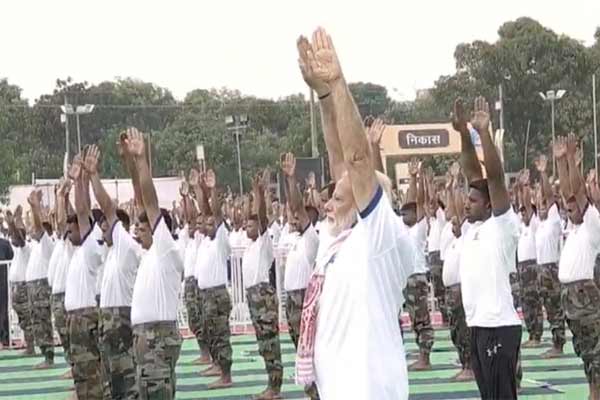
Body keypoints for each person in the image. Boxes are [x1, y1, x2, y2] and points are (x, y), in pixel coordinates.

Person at [295, 27, 415, 399]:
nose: (328, 203)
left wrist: (339, 83)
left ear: (366, 202)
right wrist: (325, 96)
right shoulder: (338, 238)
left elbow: (357, 160)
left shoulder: (378, 235)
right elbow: (339, 158)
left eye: (339, 197)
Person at [453, 97, 522, 399]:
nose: (466, 204)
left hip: (498, 327)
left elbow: (494, 178)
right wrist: (462, 134)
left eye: (473, 201)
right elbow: (472, 171)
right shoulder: (472, 228)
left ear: (490, 204)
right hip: (479, 326)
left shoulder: (502, 224)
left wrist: (482, 133)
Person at [124, 128, 184, 400]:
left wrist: (142, 160)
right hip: (147, 338)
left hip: (157, 338)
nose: (138, 229)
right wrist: (131, 163)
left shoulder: (165, 248)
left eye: (144, 226)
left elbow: (149, 202)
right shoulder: (149, 252)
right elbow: (140, 200)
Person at [85, 143, 142, 399]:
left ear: (121, 227)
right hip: (109, 320)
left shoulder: (125, 245)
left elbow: (107, 205)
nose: (102, 227)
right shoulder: (110, 251)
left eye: (107, 224)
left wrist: (94, 175)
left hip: (121, 320)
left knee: (126, 385)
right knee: (111, 384)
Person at [554, 134, 600, 400]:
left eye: (574, 208)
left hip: (585, 296)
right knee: (585, 351)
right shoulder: (575, 225)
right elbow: (568, 194)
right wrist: (561, 162)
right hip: (571, 296)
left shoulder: (593, 221)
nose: (570, 210)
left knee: (595, 352)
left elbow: (577, 193)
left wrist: (571, 159)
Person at [64, 151, 106, 399]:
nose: (70, 233)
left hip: (86, 315)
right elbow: (76, 213)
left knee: (91, 374)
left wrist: (82, 181)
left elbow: (82, 210)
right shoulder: (80, 249)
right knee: (82, 373)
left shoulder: (93, 245)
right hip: (76, 316)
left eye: (75, 229)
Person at [241, 171, 283, 400]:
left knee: (270, 343)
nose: (248, 228)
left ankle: (275, 388)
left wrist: (259, 194)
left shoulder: (264, 241)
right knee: (263, 343)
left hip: (263, 296)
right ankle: (271, 384)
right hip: (253, 296)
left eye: (251, 225)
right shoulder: (249, 246)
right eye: (246, 225)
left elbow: (263, 218)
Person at [193, 168, 234, 389]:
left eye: (210, 225)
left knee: (220, 334)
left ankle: (226, 375)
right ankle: (218, 365)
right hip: (206, 294)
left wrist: (212, 189)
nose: (206, 226)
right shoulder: (206, 241)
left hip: (217, 294)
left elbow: (215, 215)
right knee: (211, 332)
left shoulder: (219, 239)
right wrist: (199, 190)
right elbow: (206, 212)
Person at [281, 152, 319, 351]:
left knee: (309, 343)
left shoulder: (311, 239)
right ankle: (307, 382)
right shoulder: (294, 237)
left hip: (304, 296)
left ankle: (314, 382)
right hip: (291, 296)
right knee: (298, 344)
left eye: (301, 217)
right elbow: (293, 208)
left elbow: (297, 207)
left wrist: (291, 178)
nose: (295, 218)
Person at [441, 163, 474, 381]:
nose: (453, 221)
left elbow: (458, 211)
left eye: (456, 220)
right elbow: (454, 213)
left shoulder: (467, 232)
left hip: (461, 291)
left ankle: (470, 367)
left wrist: (455, 186)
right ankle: (465, 365)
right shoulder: (454, 238)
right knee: (456, 332)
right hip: (451, 291)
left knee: (464, 331)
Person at [400, 158, 432, 371]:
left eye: (406, 212)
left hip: (418, 278)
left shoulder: (419, 229)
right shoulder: (403, 230)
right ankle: (420, 355)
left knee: (422, 319)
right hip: (407, 280)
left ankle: (425, 358)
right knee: (413, 320)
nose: (403, 215)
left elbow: (419, 202)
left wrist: (415, 179)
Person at [533, 154, 566, 358]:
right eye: (540, 204)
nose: (543, 206)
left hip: (551, 269)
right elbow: (538, 199)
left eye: (545, 204)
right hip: (540, 270)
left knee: (555, 307)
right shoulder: (541, 223)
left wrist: (544, 173)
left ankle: (558, 344)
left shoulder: (553, 219)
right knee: (548, 306)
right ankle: (555, 341)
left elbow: (549, 196)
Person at [47, 179, 76, 380]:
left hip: (67, 295)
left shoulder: (72, 243)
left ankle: (77, 370)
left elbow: (65, 221)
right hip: (58, 295)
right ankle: (73, 367)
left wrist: (61, 198)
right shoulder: (60, 241)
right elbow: (62, 222)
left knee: (72, 336)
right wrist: (63, 198)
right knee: (64, 334)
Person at [25, 189, 55, 369]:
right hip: (33, 287)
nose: (32, 230)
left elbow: (39, 228)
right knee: (37, 321)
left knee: (42, 321)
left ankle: (49, 358)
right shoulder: (36, 245)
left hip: (40, 287)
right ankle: (46, 355)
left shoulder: (47, 242)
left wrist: (35, 207)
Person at [515, 169, 544, 348]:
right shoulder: (521, 225)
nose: (523, 214)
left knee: (534, 301)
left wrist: (525, 186)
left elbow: (525, 203)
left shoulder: (534, 223)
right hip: (522, 268)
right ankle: (531, 333)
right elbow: (520, 203)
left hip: (532, 268)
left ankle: (537, 335)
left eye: (525, 212)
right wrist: (519, 186)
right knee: (525, 303)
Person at [5, 207, 34, 353]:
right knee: (22, 318)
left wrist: (13, 224)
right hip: (16, 287)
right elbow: (13, 236)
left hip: (22, 287)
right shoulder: (16, 249)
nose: (13, 239)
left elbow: (18, 238)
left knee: (27, 318)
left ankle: (31, 347)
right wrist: (11, 223)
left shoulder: (25, 247)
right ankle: (29, 346)